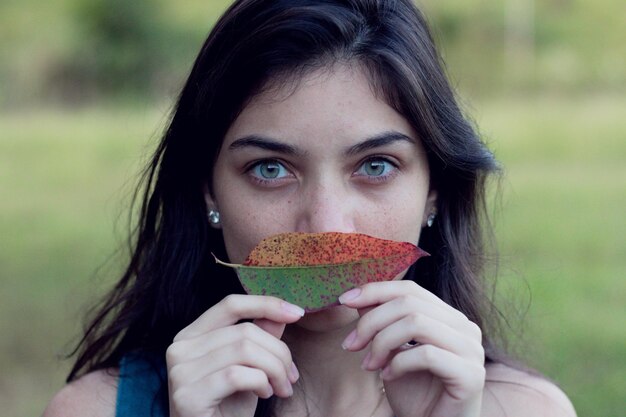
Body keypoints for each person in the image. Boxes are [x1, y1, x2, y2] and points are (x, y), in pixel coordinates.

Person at [43, 1, 577, 416]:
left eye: (375, 166)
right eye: (270, 169)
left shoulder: (528, 409)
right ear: (208, 191)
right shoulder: (94, 409)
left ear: (434, 188)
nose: (325, 226)